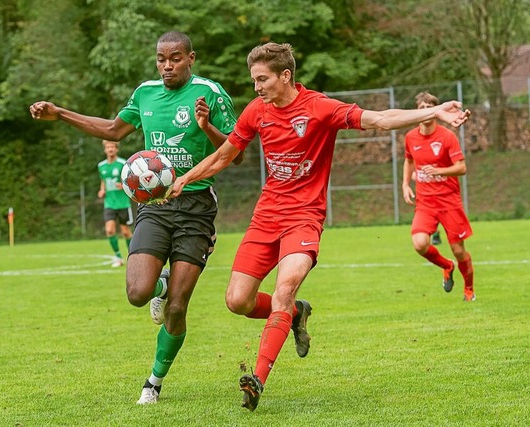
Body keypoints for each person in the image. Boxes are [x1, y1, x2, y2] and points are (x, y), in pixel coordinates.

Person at [170, 42, 471, 411]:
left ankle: (258, 379)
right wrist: (187, 177)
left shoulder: (318, 107)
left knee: (283, 289)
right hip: (266, 217)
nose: (256, 87)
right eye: (253, 80)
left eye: (262, 79)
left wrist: (436, 111)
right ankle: (297, 313)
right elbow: (224, 156)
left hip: (304, 217)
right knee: (237, 301)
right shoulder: (256, 111)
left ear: (285, 75)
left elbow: (380, 119)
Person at [30, 31, 244, 405]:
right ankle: (160, 284)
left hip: (196, 209)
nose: (166, 65)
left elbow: (236, 153)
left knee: (177, 308)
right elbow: (113, 130)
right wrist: (60, 114)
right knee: (137, 293)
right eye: (161, 58)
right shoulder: (145, 92)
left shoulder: (210, 92)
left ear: (191, 58)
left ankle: (154, 381)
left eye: (175, 58)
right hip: (155, 208)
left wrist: (207, 126)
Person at [402, 91, 475, 302]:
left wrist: (439, 171)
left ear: (436, 111)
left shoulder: (447, 137)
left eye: (428, 108)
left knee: (458, 250)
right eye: (421, 108)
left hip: (449, 201)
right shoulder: (411, 137)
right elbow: (408, 160)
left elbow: (461, 168)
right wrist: (405, 184)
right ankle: (446, 265)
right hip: (425, 203)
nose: (424, 112)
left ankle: (469, 290)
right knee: (419, 243)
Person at [97, 139, 133, 267]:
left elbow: (131, 181)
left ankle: (132, 256)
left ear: (117, 149)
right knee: (110, 230)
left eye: (112, 147)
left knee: (125, 232)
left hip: (123, 203)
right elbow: (103, 181)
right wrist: (102, 190)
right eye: (108, 147)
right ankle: (118, 257)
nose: (110, 149)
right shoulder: (101, 166)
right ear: (105, 149)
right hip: (109, 204)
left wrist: (124, 186)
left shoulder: (123, 164)